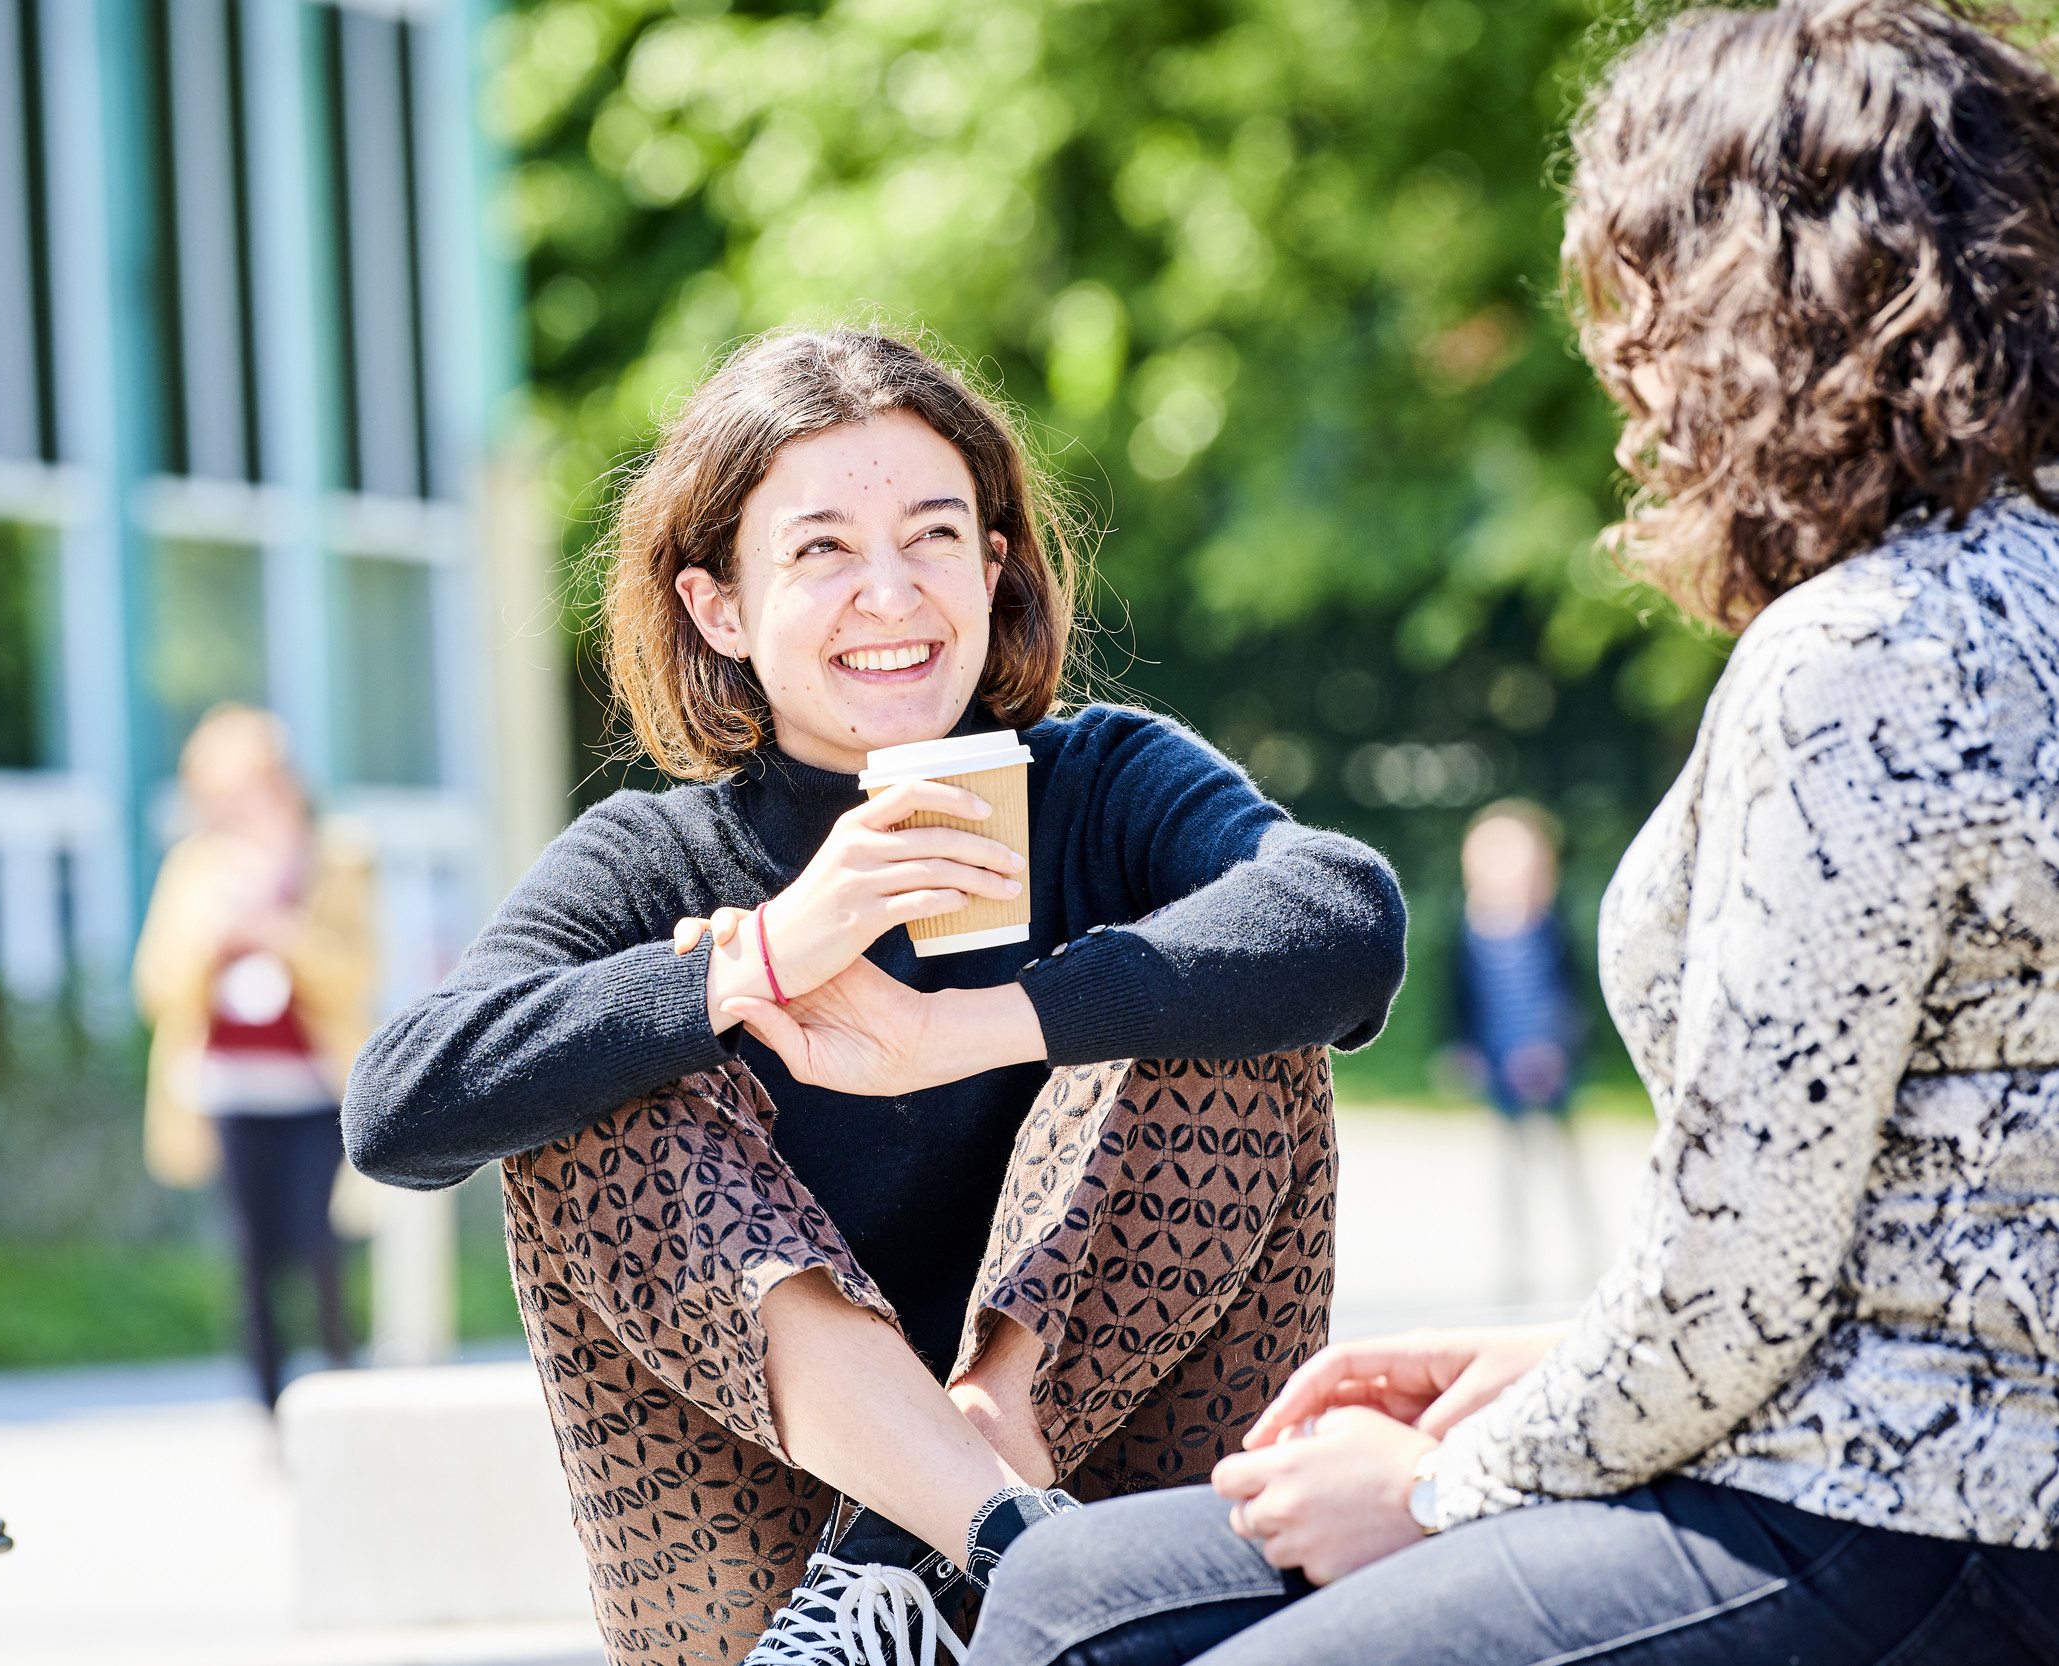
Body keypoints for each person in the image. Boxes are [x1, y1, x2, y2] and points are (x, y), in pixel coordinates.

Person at [965, 5, 2059, 1662]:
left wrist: (1438, 1486)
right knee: (1063, 1591)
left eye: (1636, 299)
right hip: (1841, 1447)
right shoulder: (1996, 587)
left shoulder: (1869, 656)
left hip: (1900, 1520)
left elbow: (1739, 1298)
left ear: (1756, 302)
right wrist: (1552, 1362)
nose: (1615, 366)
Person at [342, 327, 1409, 1666]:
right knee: (605, 1055)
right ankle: (978, 1541)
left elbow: (1344, 918)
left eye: (931, 536)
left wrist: (955, 1028)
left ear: (991, 564)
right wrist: (765, 956)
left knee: (1214, 998)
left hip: (1117, 1515)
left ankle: (978, 1513)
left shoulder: (1103, 785)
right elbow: (397, 1102)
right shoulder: (654, 857)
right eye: (821, 550)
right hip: (776, 1596)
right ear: (717, 605)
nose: (891, 594)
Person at [134, 703, 377, 1410]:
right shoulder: (195, 869)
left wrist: (282, 937)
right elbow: (155, 986)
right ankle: (270, 1418)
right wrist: (212, 946)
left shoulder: (335, 858)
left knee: (319, 1247)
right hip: (228, 1089)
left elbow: (358, 972)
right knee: (249, 1261)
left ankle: (344, 1398)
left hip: (316, 1087)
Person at [1450, 801, 1596, 1296]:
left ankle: (1589, 1252)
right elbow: (1458, 998)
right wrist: (1462, 1048)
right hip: (1498, 1060)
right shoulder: (1469, 930)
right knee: (1510, 1166)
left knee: (1566, 1160)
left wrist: (1561, 1049)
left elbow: (1572, 997)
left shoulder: (1551, 928)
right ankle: (1516, 1260)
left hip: (1548, 1061)